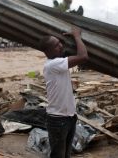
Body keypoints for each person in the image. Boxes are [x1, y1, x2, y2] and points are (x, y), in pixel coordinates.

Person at [40, 27, 88, 158]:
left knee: (66, 155)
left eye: (60, 42)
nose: (61, 46)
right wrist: (77, 36)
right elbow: (83, 56)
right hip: (58, 120)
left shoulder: (59, 62)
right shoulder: (53, 64)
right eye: (56, 45)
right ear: (47, 51)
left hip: (69, 117)